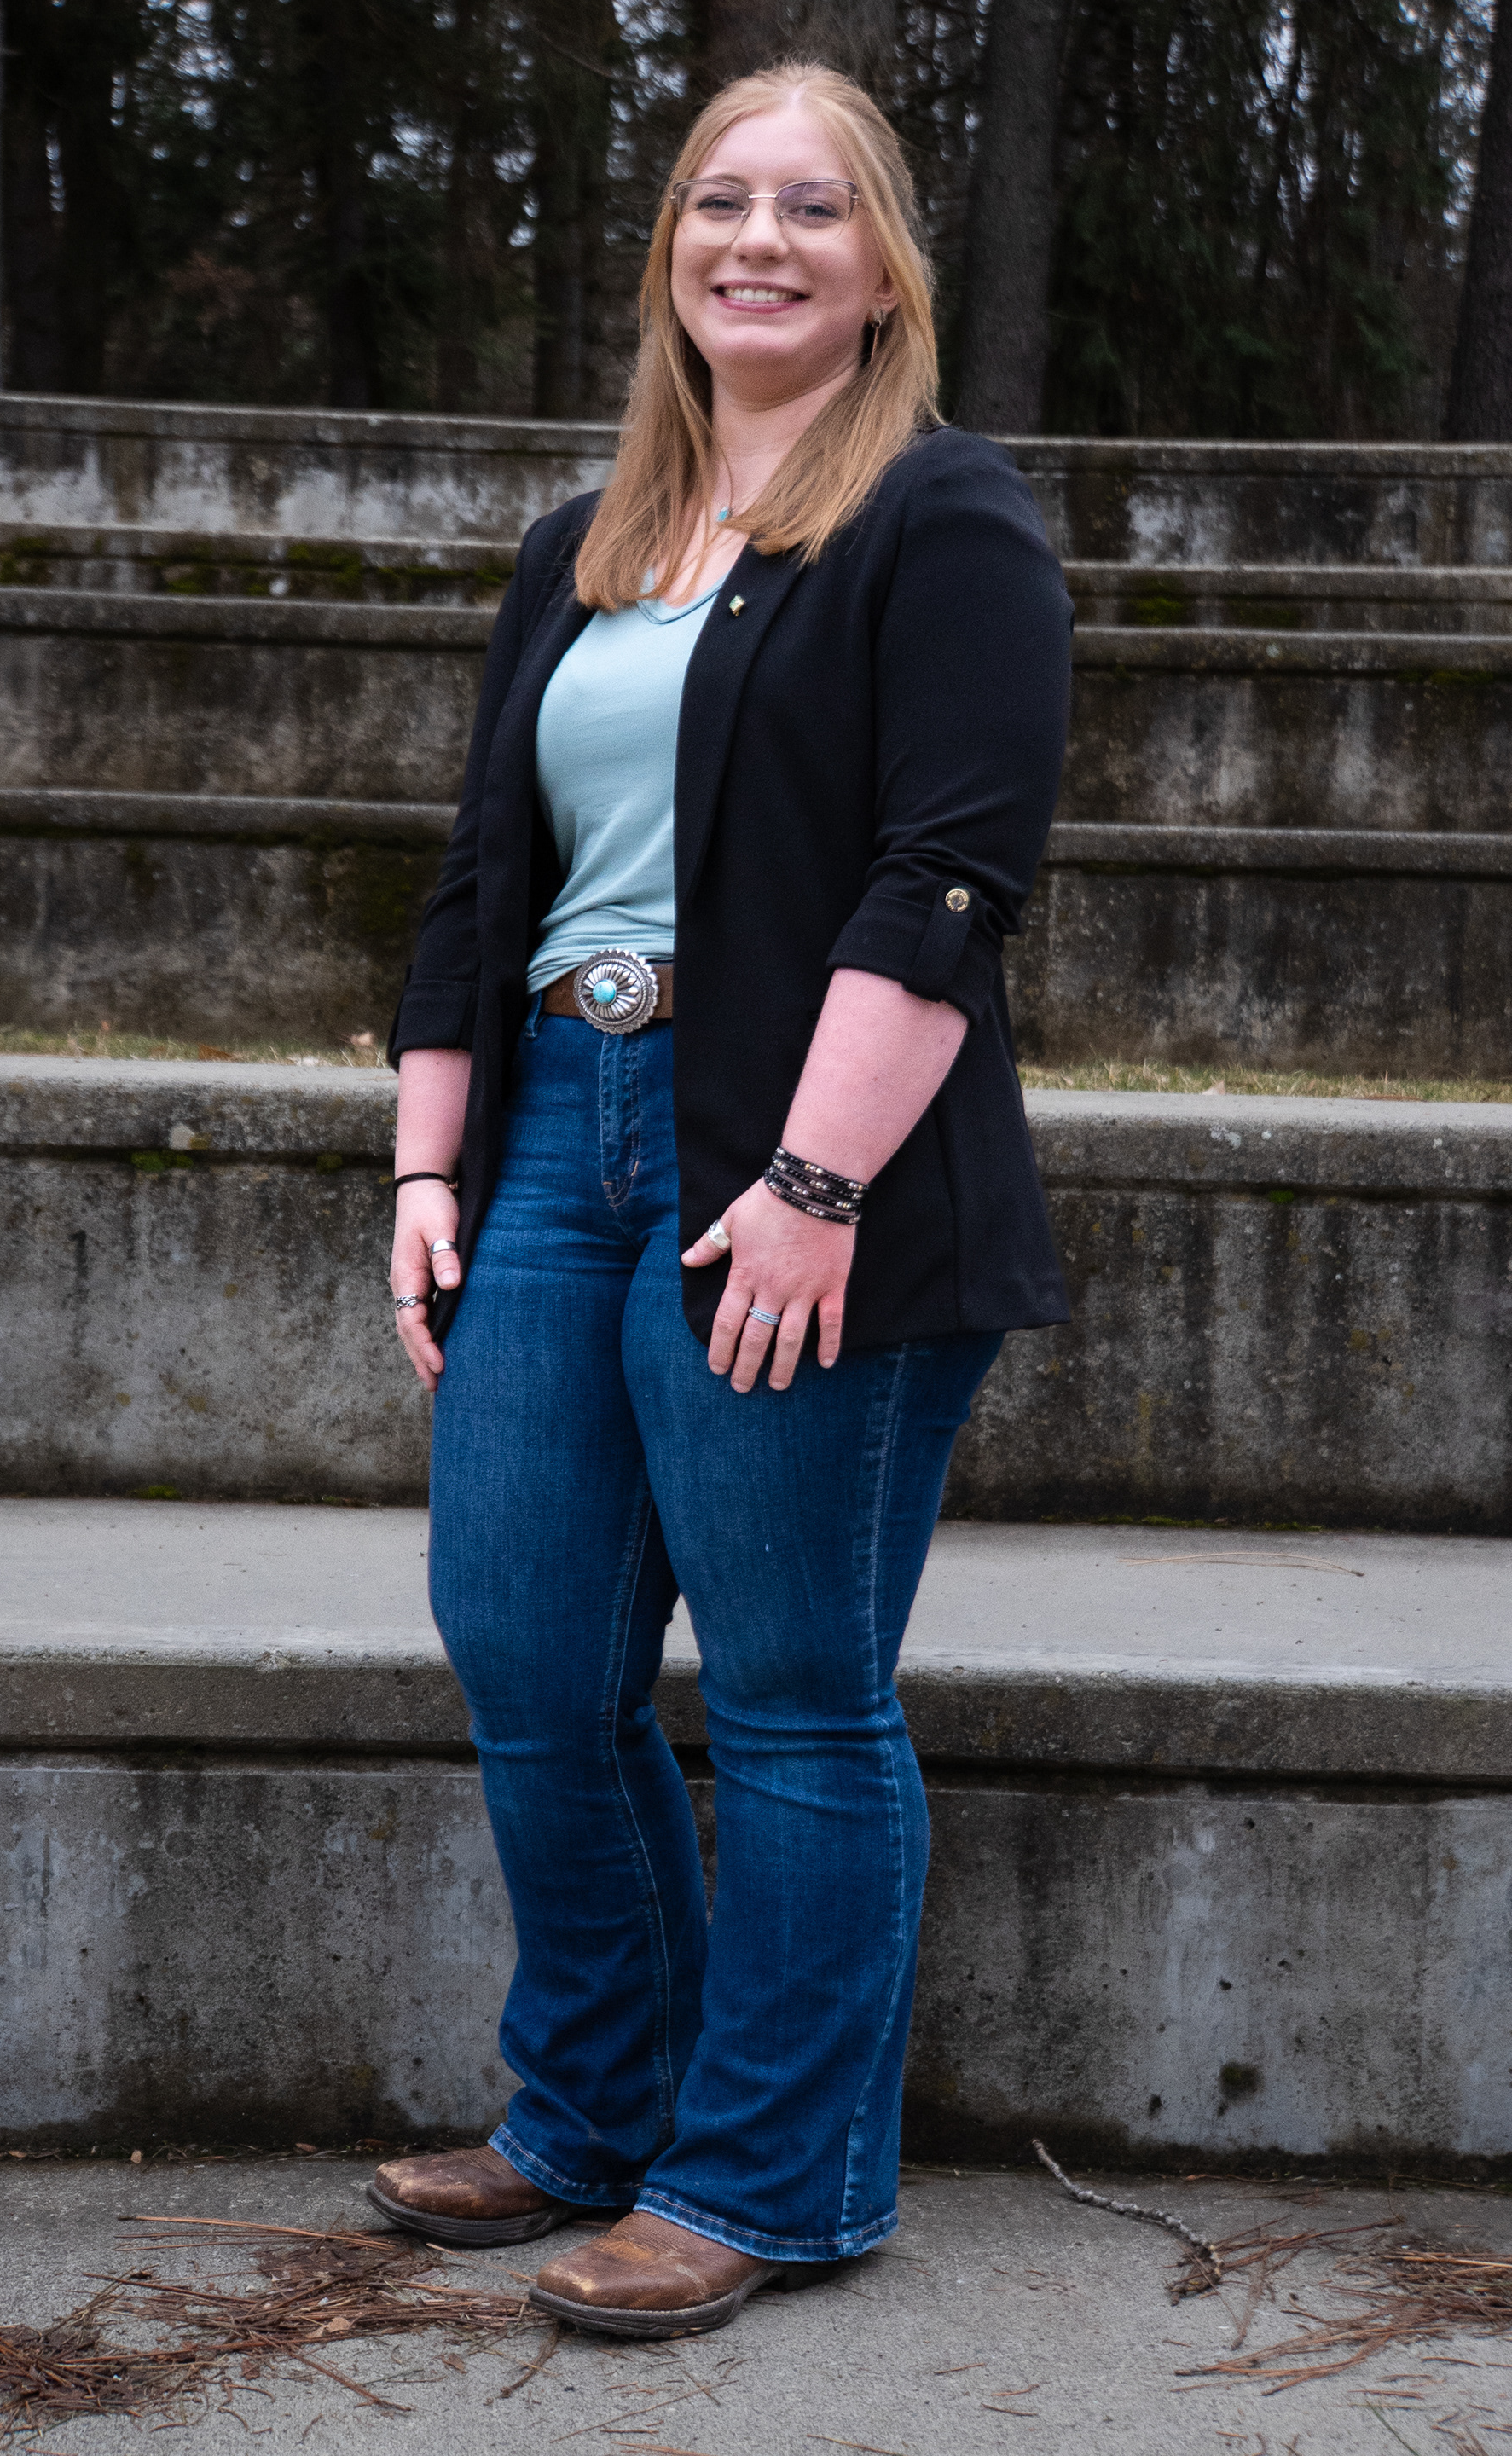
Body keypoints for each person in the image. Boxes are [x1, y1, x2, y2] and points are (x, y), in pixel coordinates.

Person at [368, 59, 1071, 2339]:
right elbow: (480, 883)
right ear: (671, 248)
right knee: (527, 1650)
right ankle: (591, 2109)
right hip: (556, 1144)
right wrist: (428, 1162)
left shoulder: (942, 514)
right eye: (717, 201)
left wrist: (811, 1177)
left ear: (886, 276)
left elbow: (948, 877)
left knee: (788, 1692)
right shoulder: (582, 546)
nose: (756, 240)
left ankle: (768, 2180)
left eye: (813, 208)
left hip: (795, 1157)